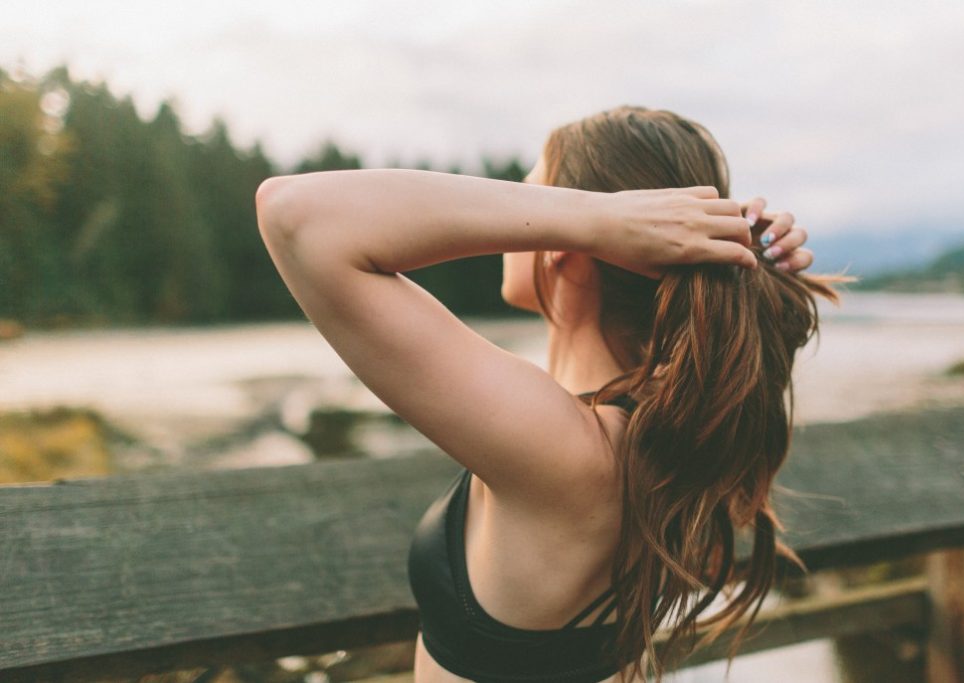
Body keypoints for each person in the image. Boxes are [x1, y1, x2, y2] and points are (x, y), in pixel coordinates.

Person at [255, 105, 849, 683]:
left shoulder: (571, 449)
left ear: (574, 239)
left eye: (535, 190)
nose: (525, 206)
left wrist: (595, 219)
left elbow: (295, 214)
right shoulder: (663, 422)